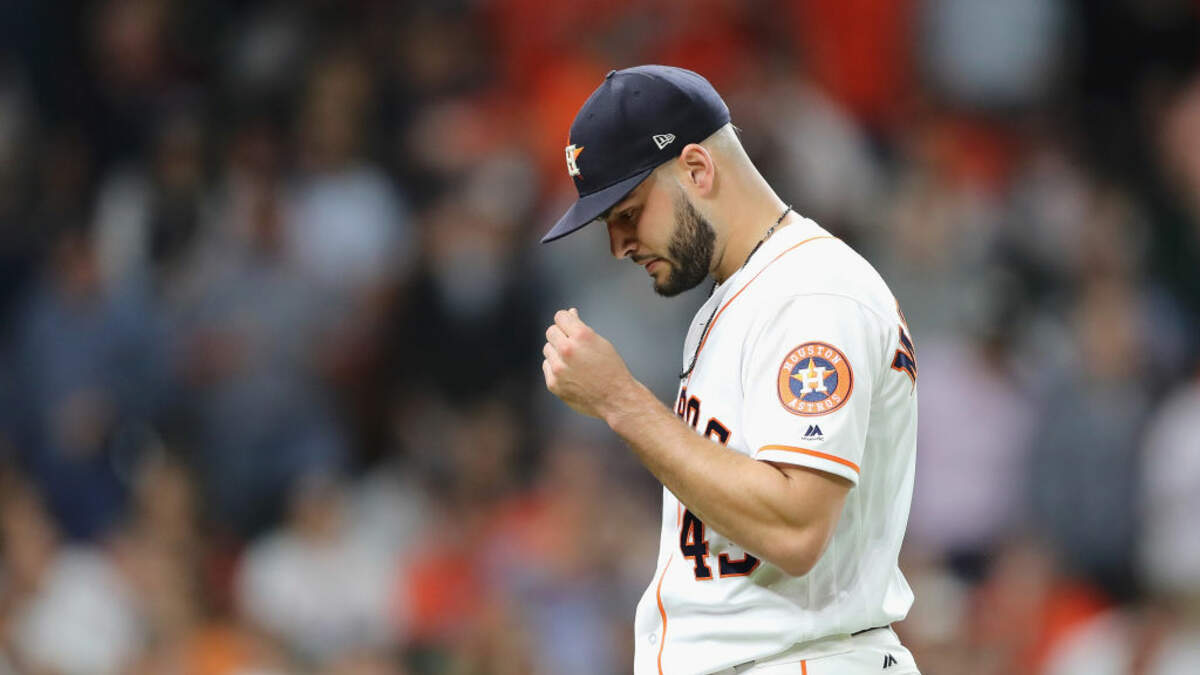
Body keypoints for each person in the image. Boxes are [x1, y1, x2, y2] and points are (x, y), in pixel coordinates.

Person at [540, 65, 921, 675]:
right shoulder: (750, 294)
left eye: (628, 213)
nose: (618, 245)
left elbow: (796, 529)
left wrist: (620, 400)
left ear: (697, 168)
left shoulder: (812, 292)